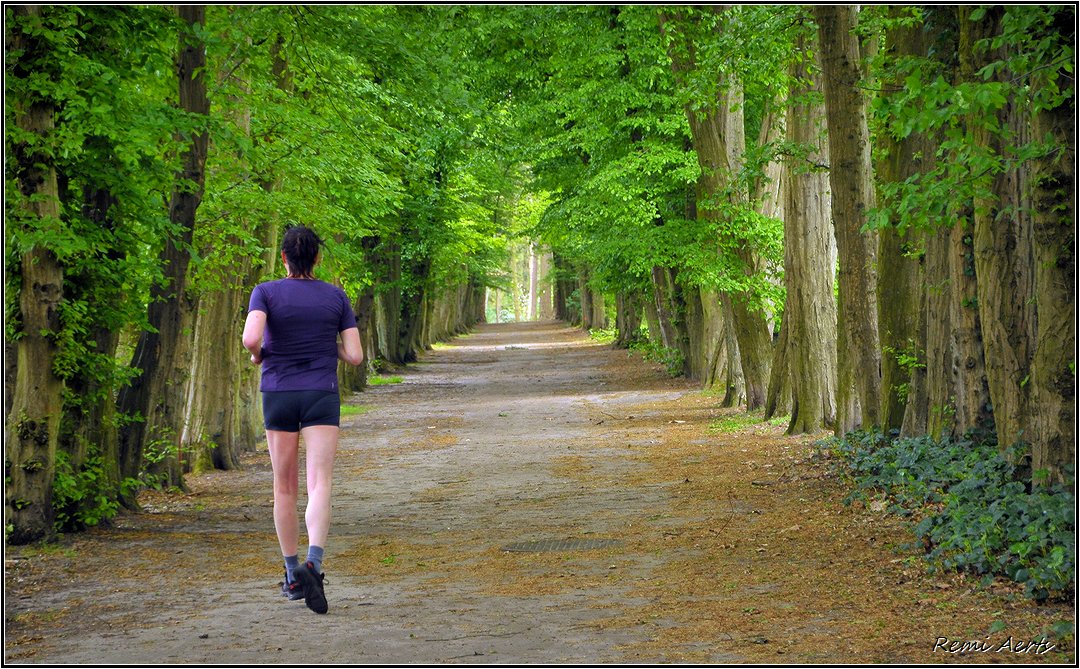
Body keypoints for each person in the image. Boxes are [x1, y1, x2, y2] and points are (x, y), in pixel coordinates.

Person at [242, 224, 363, 615]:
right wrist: (332, 345)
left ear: (283, 258)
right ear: (317, 257)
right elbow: (356, 356)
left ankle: (293, 575)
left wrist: (260, 354)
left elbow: (250, 338)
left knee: (284, 486)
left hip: (278, 392)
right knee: (320, 482)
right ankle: (315, 562)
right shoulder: (335, 296)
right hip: (320, 393)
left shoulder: (266, 292)